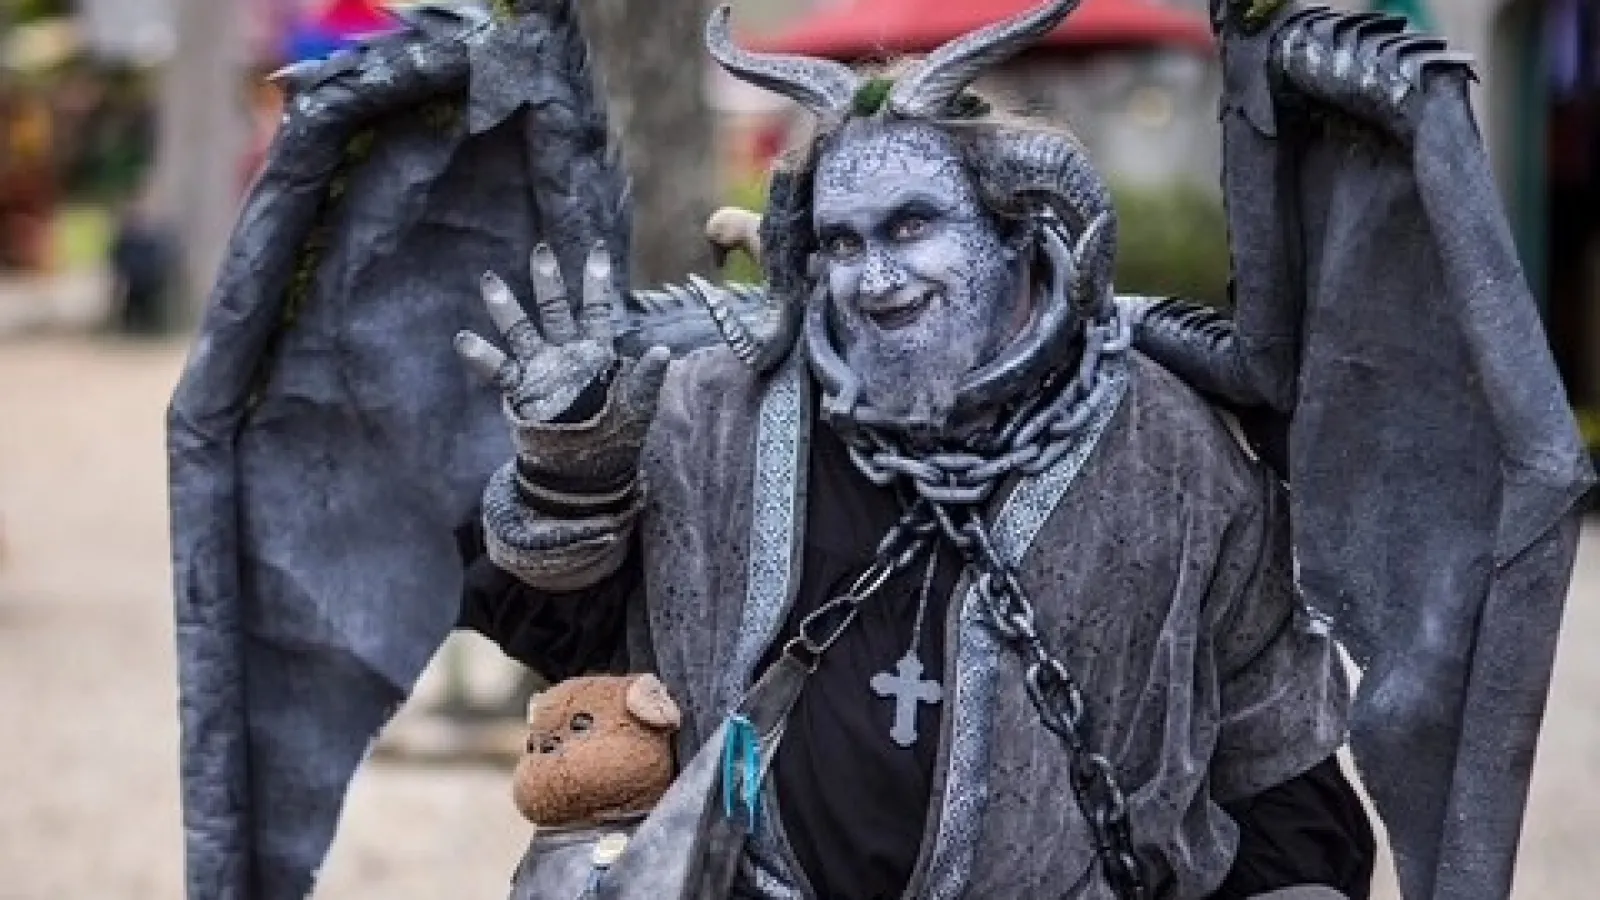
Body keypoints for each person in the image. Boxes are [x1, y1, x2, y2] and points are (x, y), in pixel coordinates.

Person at [450, 2, 1374, 896]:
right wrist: (567, 476)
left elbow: (1276, 760)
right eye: (842, 242)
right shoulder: (707, 416)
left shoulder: (1174, 452)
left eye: (913, 226)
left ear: (1018, 231)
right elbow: (557, 631)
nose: (876, 277)